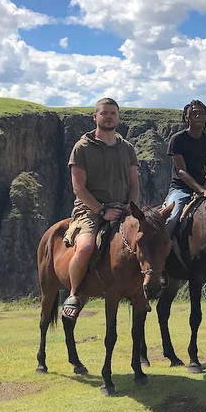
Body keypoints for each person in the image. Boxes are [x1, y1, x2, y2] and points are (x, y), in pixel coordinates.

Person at [62, 97, 139, 319]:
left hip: (123, 208)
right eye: (104, 113)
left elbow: (134, 184)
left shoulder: (127, 148)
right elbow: (78, 188)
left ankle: (145, 288)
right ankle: (74, 294)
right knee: (86, 247)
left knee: (148, 240)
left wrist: (130, 206)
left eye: (113, 113)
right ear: (95, 117)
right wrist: (102, 210)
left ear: (118, 118)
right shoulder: (82, 148)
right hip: (89, 210)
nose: (109, 117)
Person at [164, 99, 206, 240]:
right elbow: (181, 171)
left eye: (202, 113)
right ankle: (163, 248)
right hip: (180, 189)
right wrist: (201, 190)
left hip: (203, 188)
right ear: (187, 117)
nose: (198, 116)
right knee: (172, 219)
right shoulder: (177, 139)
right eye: (194, 113)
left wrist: (204, 190)